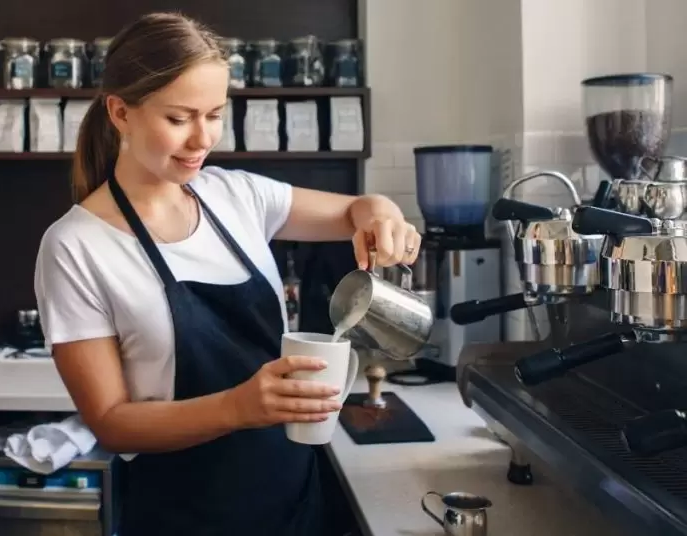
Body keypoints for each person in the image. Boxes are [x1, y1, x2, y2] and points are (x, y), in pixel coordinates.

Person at [33, 12, 420, 536]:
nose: (202, 139)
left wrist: (379, 212)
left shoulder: (235, 196)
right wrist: (239, 407)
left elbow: (356, 209)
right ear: (121, 112)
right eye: (179, 118)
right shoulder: (75, 246)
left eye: (214, 114)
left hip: (292, 499)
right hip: (182, 512)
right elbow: (110, 421)